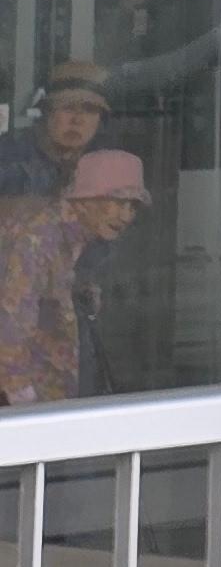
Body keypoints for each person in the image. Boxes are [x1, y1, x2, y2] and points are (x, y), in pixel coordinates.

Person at [0, 147, 147, 403]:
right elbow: (10, 327)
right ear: (85, 199)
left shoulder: (86, 240)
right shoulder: (38, 240)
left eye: (133, 206)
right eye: (117, 202)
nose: (126, 216)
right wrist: (26, 405)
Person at [0, 66, 108, 199]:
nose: (78, 120)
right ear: (46, 112)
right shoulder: (9, 158)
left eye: (90, 110)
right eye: (68, 108)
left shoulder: (106, 163)